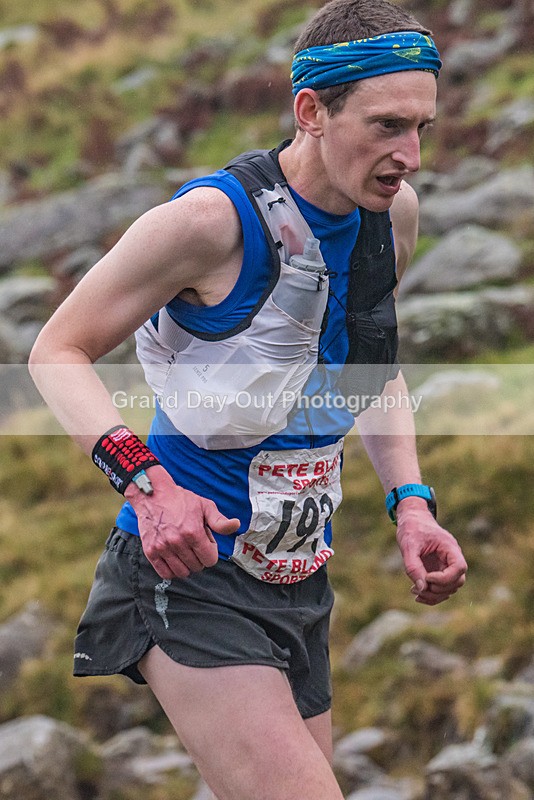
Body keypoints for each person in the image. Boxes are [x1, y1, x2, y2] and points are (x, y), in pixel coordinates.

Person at [29, 1, 467, 798]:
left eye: (422, 129)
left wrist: (411, 502)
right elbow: (56, 350)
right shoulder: (210, 223)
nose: (409, 155)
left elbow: (371, 370)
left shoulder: (389, 216)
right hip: (189, 574)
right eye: (386, 126)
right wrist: (148, 487)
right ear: (312, 112)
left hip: (299, 577)